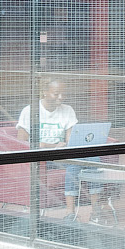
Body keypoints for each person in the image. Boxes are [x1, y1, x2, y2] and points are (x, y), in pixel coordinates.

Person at [29, 79, 83, 215]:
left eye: (63, 94)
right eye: (56, 94)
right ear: (44, 92)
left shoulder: (68, 110)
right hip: (41, 157)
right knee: (74, 165)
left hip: (61, 155)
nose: (61, 98)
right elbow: (21, 142)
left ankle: (97, 209)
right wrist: (51, 146)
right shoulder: (31, 110)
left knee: (94, 159)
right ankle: (71, 213)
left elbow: (70, 140)